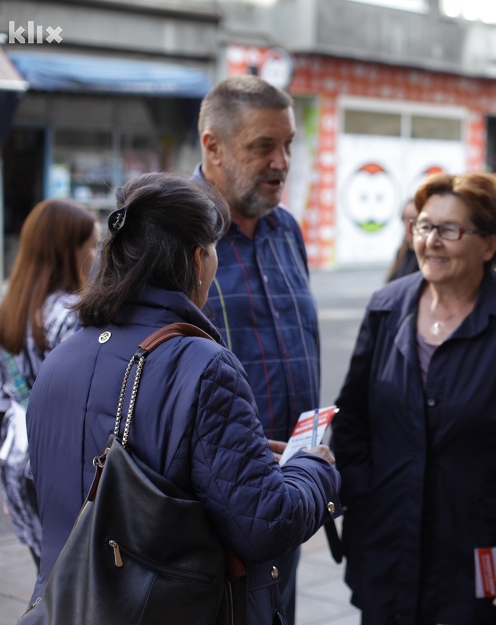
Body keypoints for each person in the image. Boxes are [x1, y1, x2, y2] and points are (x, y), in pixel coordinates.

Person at [24, 173, 341, 625]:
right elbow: (265, 524)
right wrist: (314, 467)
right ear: (198, 259)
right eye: (214, 250)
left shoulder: (60, 359)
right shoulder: (204, 366)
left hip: (62, 607)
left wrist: (244, 460)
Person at [332, 172, 496, 624]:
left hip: (474, 548)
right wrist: (364, 493)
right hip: (388, 541)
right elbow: (352, 418)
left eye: (449, 230)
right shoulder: (386, 307)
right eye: (423, 226)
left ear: (490, 243)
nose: (431, 241)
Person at [193, 74, 321, 622]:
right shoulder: (167, 234)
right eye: (263, 146)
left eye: (288, 144)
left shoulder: (286, 230)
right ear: (213, 146)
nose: (282, 161)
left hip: (283, 495)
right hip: (206, 507)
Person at [0, 199, 99, 569]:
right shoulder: (75, 315)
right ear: (70, 251)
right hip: (66, 474)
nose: (98, 255)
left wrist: (10, 480)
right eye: (93, 245)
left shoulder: (11, 312)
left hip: (21, 465)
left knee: (47, 578)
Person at [386, 198, 420, 282]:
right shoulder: (402, 251)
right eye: (404, 219)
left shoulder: (426, 255)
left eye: (414, 219)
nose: (408, 224)